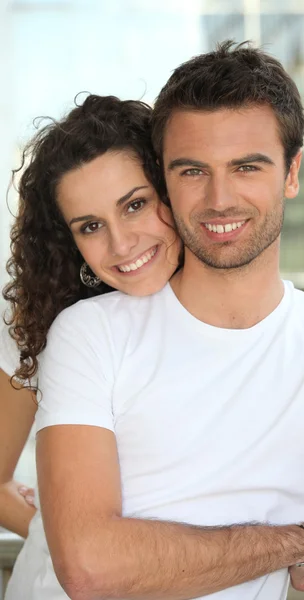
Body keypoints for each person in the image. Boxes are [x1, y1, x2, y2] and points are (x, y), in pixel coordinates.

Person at [6, 42, 304, 600]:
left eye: (246, 167)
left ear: (291, 173)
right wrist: (301, 541)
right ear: (167, 180)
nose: (219, 199)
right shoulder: (91, 331)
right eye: (193, 171)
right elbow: (90, 568)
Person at [0, 93, 181, 539]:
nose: (121, 245)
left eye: (134, 204)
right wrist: (57, 541)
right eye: (91, 226)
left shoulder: (236, 306)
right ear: (69, 239)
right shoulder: (38, 319)